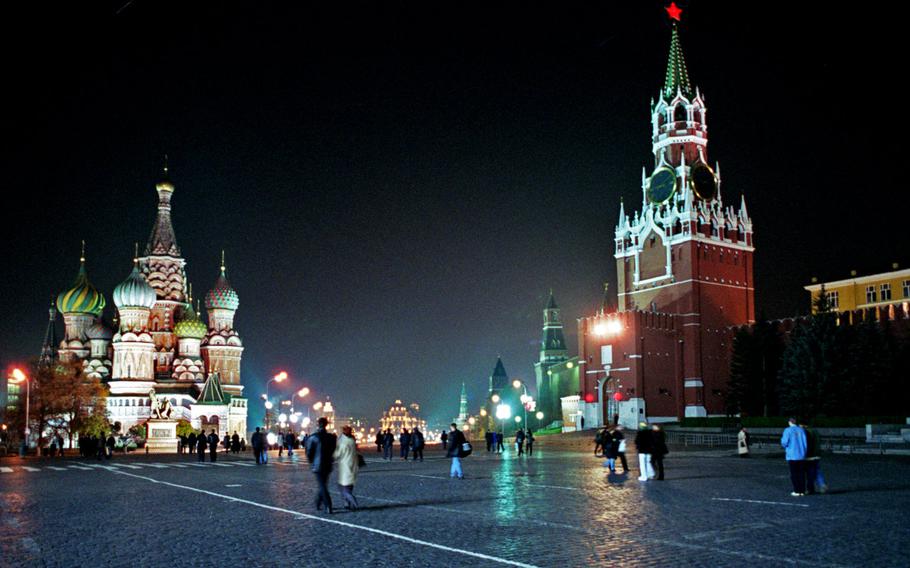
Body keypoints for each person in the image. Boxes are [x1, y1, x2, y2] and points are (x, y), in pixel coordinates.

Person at [305, 417, 337, 513]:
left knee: (322, 485)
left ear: (318, 425)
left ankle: (328, 505)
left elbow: (309, 452)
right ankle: (318, 502)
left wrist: (311, 461)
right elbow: (333, 450)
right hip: (328, 464)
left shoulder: (313, 437)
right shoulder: (332, 437)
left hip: (318, 465)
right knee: (323, 483)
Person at [333, 425, 360, 510]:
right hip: (353, 465)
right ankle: (346, 503)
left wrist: (331, 456)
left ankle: (352, 501)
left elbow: (338, 453)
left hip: (346, 466)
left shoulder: (343, 441)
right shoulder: (352, 440)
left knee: (343, 488)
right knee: (349, 486)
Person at [780, 417, 808, 496]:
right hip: (801, 455)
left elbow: (784, 442)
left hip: (792, 455)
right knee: (801, 473)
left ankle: (797, 490)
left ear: (789, 422)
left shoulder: (787, 430)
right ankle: (802, 490)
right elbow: (805, 443)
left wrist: (785, 446)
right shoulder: (801, 430)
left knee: (794, 474)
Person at [800, 421, 825, 494]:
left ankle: (810, 488)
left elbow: (806, 444)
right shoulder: (815, 431)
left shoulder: (806, 432)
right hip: (817, 454)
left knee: (809, 473)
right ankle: (822, 484)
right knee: (817, 470)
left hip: (810, 455)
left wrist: (805, 454)